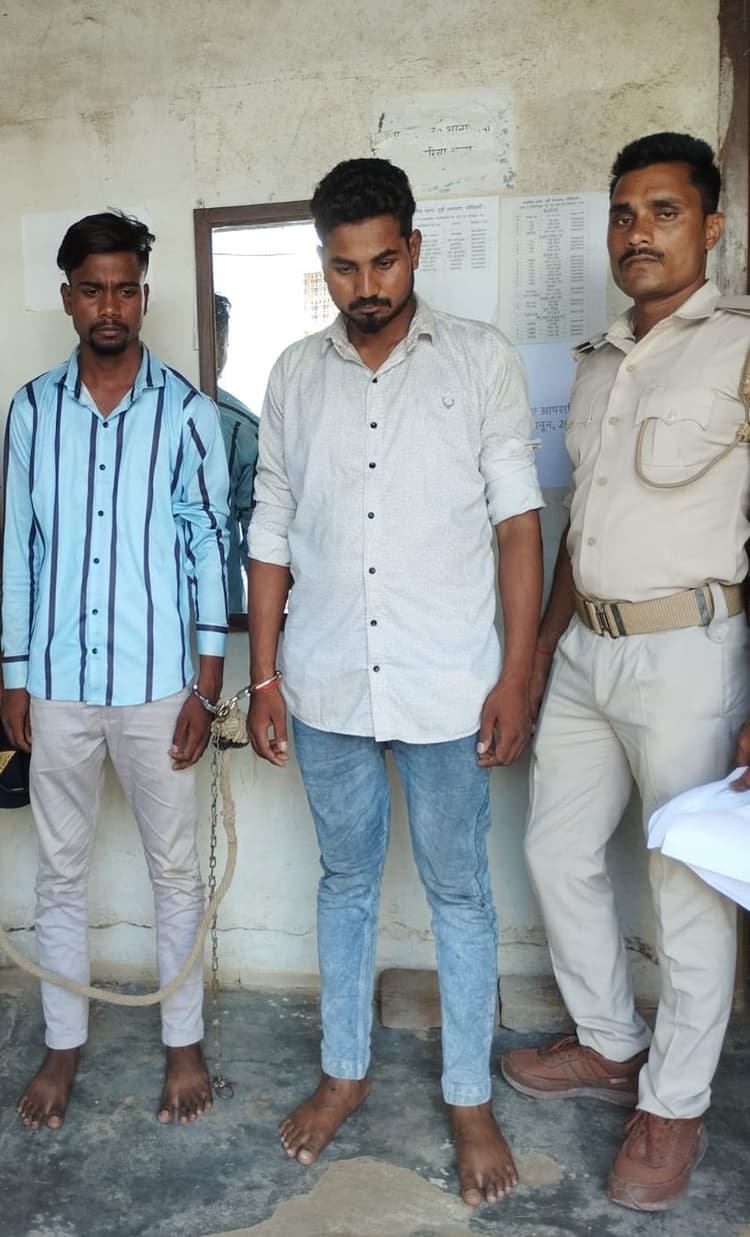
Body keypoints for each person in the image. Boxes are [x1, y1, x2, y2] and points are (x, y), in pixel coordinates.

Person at [246, 157, 544, 1206]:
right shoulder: (294, 375)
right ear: (321, 263)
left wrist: (516, 675)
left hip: (450, 681)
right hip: (326, 679)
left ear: (414, 248)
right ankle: (345, 1072)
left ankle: (469, 1095)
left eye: (383, 262)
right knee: (346, 881)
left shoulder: (479, 359)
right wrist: (264, 676)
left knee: (460, 890)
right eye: (344, 268)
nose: (365, 286)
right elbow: (272, 527)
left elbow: (518, 527)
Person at [501, 133, 750, 1211]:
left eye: (664, 210)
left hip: (690, 650)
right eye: (623, 214)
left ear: (712, 227)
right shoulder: (599, 359)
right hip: (586, 651)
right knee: (556, 850)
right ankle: (610, 1043)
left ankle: (674, 1104)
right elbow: (582, 527)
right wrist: (535, 655)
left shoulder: (740, 347)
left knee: (687, 888)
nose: (638, 232)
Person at [1, 211, 230, 1130]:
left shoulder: (185, 413)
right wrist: (14, 674)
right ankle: (64, 1042)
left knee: (173, 871)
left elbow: (209, 546)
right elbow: (17, 550)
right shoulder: (31, 411)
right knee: (59, 872)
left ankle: (183, 1040)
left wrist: (206, 683)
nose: (110, 306)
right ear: (68, 298)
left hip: (158, 686)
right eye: (92, 289)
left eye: (125, 289)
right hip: (57, 685)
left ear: (144, 295)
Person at [214, 293, 260, 618]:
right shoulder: (245, 429)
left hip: (227, 623)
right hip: (225, 621)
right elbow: (259, 552)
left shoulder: (243, 431)